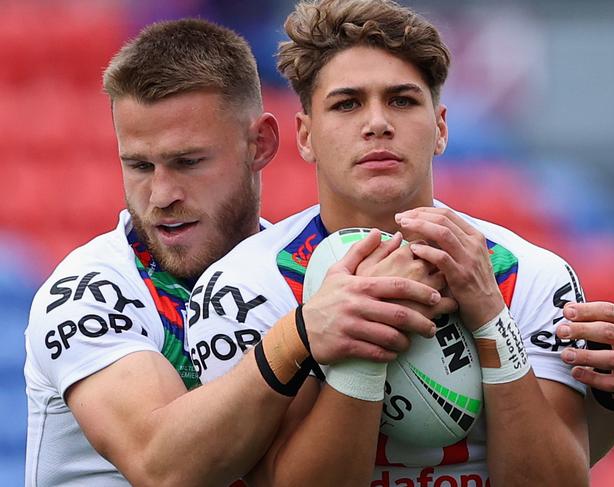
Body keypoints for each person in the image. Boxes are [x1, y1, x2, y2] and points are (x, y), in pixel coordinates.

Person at [186, 0, 614, 485]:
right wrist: (364, 340)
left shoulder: (533, 275)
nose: (377, 123)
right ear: (305, 137)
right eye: (347, 104)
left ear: (441, 128)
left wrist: (490, 314)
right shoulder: (243, 287)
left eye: (402, 100)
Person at [24, 18, 447, 486]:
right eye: (140, 166)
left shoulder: (290, 272)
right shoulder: (89, 292)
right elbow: (161, 469)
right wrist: (299, 335)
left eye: (189, 162)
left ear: (260, 144)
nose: (161, 195)